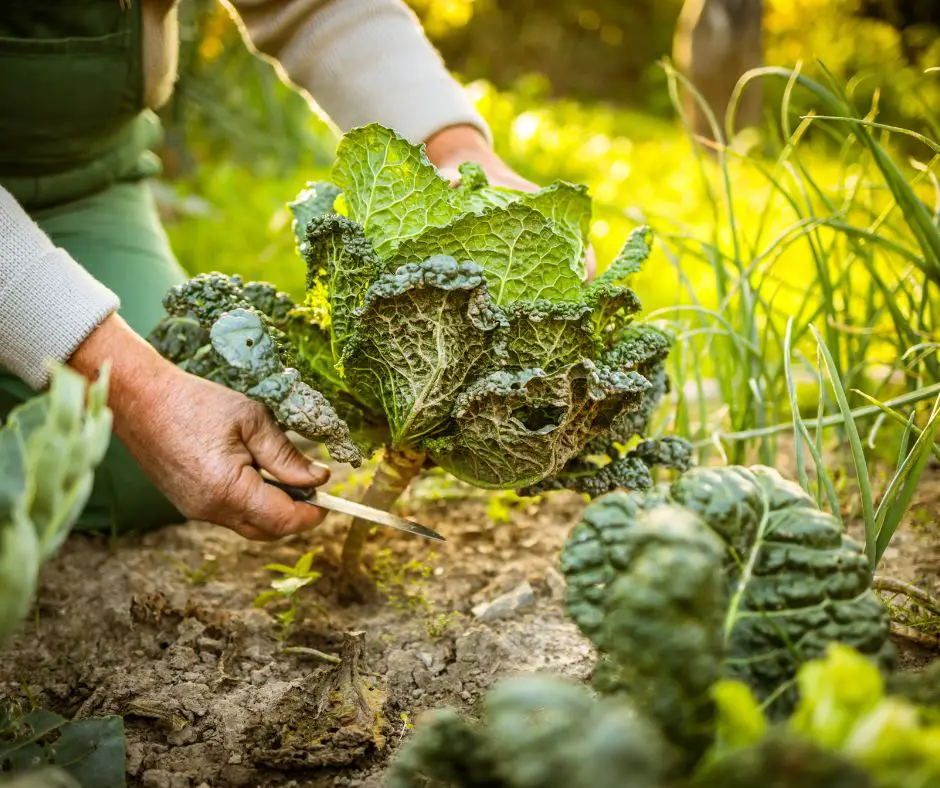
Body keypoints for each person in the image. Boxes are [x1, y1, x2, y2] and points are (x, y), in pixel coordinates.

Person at [0, 0, 563, 543]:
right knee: (109, 429)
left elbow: (315, 3)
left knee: (136, 467)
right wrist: (131, 385)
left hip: (83, 182)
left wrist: (456, 148)